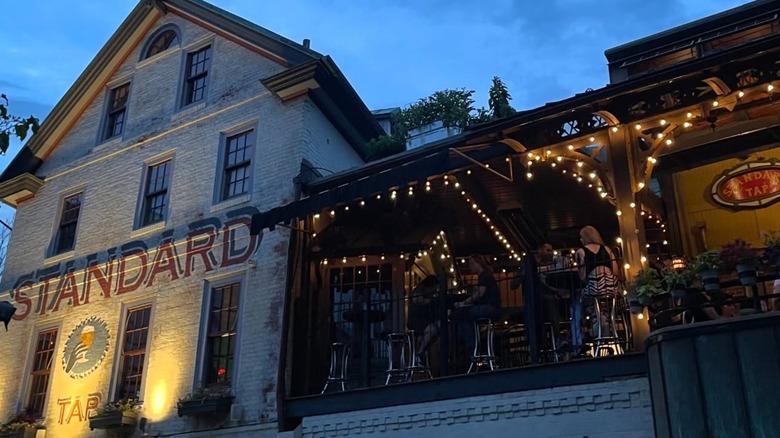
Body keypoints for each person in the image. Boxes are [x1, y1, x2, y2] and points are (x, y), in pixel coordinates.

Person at [510, 242, 565, 363]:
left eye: (551, 250)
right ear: (540, 251)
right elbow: (513, 284)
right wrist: (522, 276)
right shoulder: (529, 264)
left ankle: (557, 338)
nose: (550, 253)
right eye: (548, 250)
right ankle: (556, 338)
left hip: (546, 302)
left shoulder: (551, 265)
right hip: (537, 302)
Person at [574, 226, 620, 353]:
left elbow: (583, 277)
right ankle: (605, 330)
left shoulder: (580, 252)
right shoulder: (607, 249)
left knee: (579, 302)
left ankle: (587, 333)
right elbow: (615, 271)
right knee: (605, 310)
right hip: (611, 288)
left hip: (594, 289)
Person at [452, 254, 502, 357]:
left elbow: (481, 293)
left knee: (462, 314)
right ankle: (472, 343)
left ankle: (471, 345)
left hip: (490, 308)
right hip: (492, 308)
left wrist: (464, 302)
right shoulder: (486, 275)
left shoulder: (484, 275)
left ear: (478, 263)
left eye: (471, 263)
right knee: (465, 315)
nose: (470, 266)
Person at [407, 275, 440, 362]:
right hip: (415, 321)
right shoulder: (419, 290)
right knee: (432, 330)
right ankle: (420, 352)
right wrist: (431, 300)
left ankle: (421, 348)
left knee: (436, 330)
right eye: (434, 287)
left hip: (424, 321)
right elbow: (418, 300)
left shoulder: (427, 293)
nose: (435, 290)